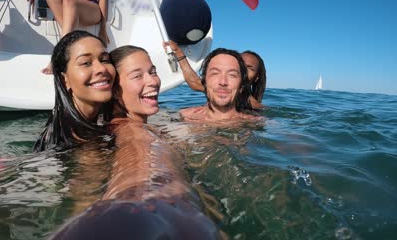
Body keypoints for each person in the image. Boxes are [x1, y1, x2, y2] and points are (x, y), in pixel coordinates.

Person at [49, 45, 221, 239]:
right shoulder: (133, 131)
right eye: (137, 76)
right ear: (114, 90)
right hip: (157, 212)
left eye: (153, 72)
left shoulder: (113, 129)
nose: (153, 81)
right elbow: (142, 156)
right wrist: (156, 201)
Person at [34, 30, 115, 152]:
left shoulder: (100, 121)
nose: (101, 68)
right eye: (86, 63)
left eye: (104, 60)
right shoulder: (81, 143)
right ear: (64, 79)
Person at [26, 0, 109, 74]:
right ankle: (70, 36)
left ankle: (58, 54)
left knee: (69, 1)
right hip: (69, 7)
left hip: (89, 9)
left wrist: (103, 29)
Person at [165, 41, 267, 110]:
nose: (243, 69)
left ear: (256, 77)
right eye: (241, 64)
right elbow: (194, 82)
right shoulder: (219, 88)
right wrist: (179, 53)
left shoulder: (256, 107)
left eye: (250, 68)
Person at [179, 47, 258, 122]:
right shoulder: (182, 116)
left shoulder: (254, 124)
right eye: (215, 73)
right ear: (204, 81)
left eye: (232, 75)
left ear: (242, 86)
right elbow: (193, 81)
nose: (223, 82)